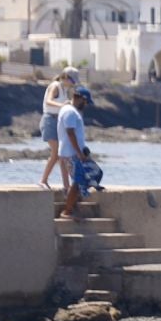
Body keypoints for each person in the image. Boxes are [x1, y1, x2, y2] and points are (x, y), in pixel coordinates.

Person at [55, 86, 94, 220]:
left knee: (80, 181)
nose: (86, 105)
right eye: (86, 102)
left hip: (71, 152)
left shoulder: (70, 110)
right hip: (70, 153)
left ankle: (72, 208)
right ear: (81, 99)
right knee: (78, 181)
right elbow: (70, 133)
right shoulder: (70, 112)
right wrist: (79, 153)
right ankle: (67, 211)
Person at [38, 66, 77, 189]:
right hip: (49, 120)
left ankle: (66, 185)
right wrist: (62, 105)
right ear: (66, 77)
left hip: (58, 121)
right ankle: (43, 180)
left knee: (62, 155)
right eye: (73, 81)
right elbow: (49, 101)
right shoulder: (55, 86)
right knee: (56, 154)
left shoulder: (64, 90)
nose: (73, 84)